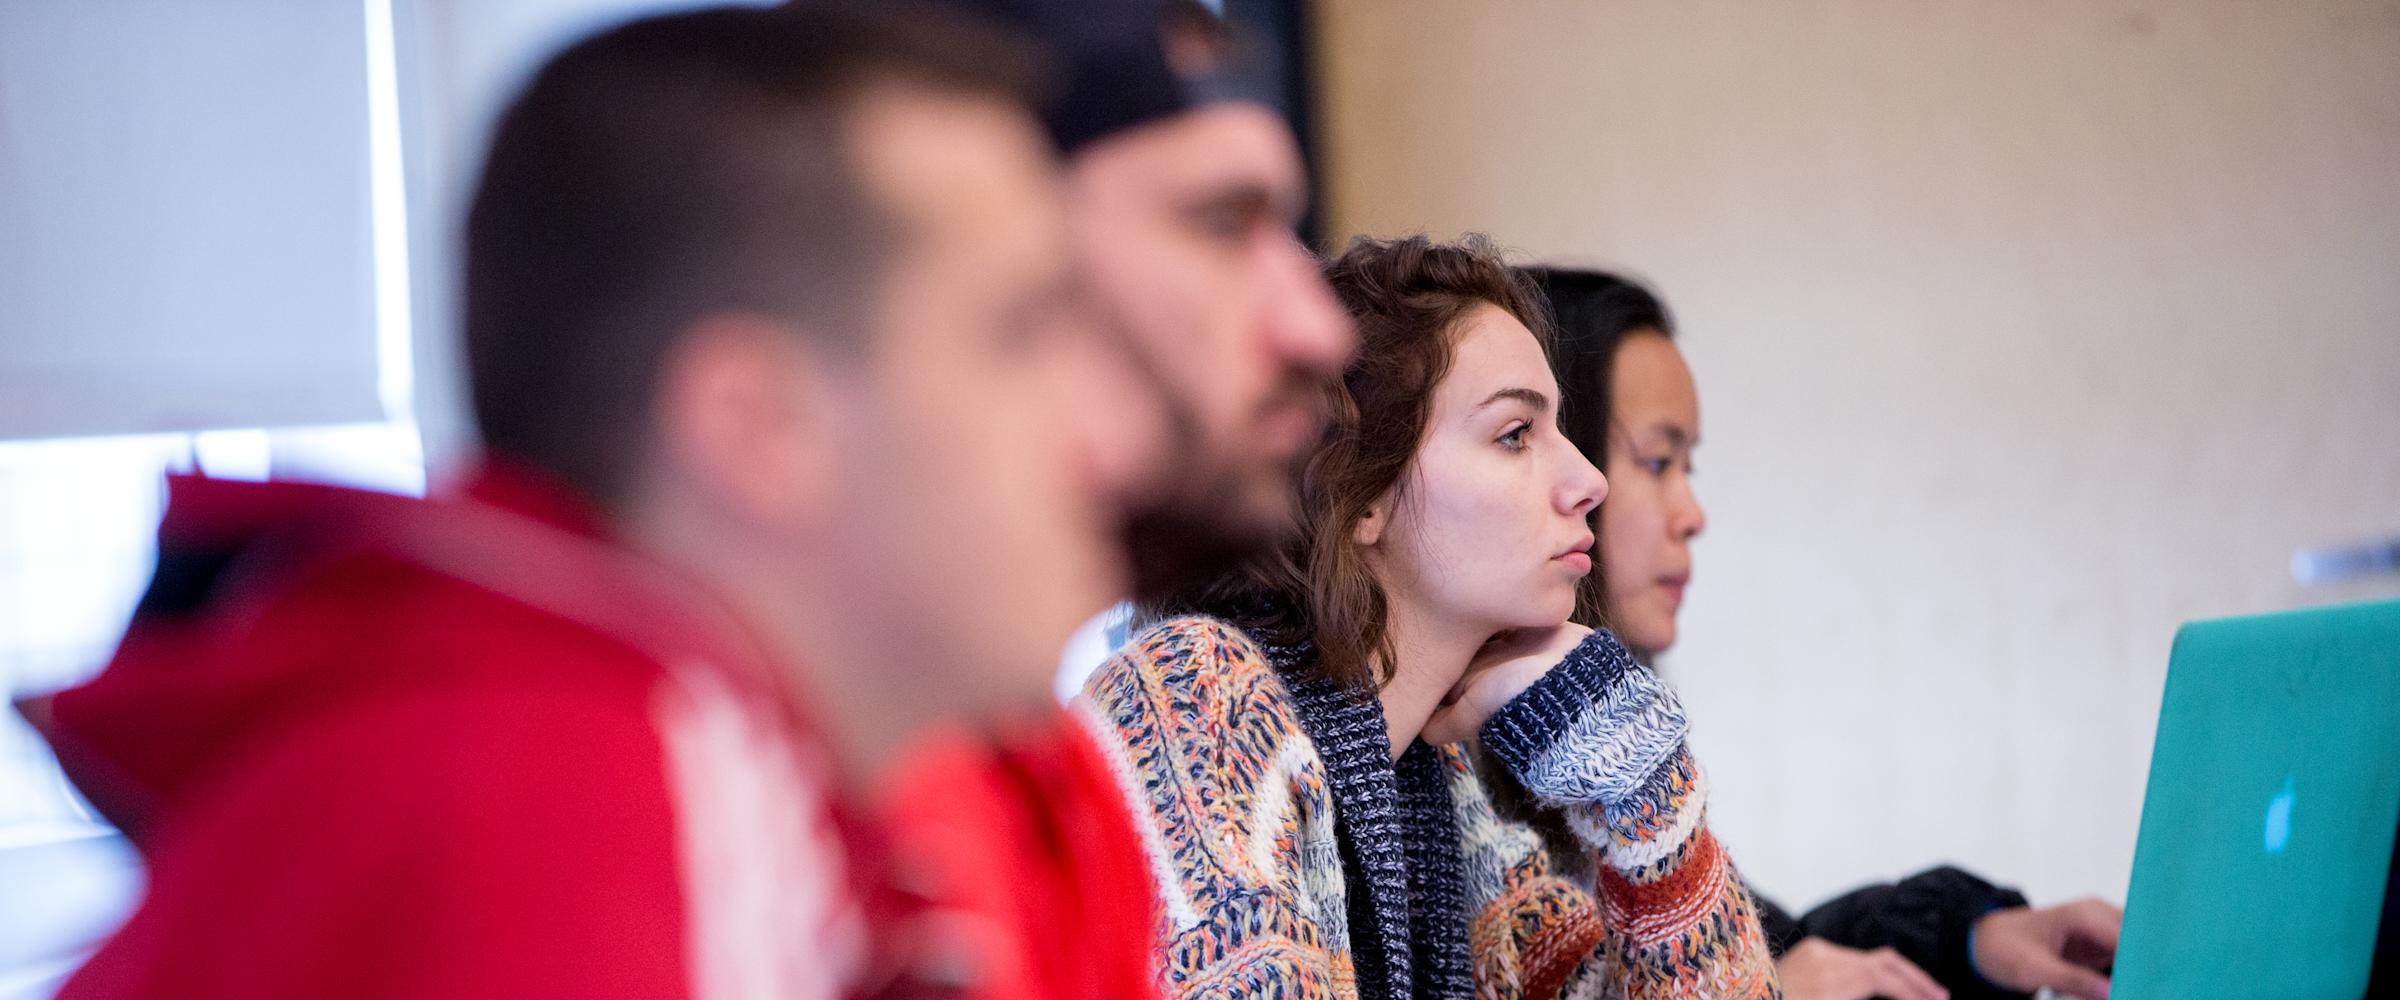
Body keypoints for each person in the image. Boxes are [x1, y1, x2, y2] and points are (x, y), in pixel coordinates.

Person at [34, 6, 1158, 996]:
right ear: (759, 433)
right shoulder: (573, 813)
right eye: (1021, 335)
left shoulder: (644, 780)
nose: (1115, 434)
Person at [1080, 234, 1780, 1000]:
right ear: (1361, 495)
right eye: (1515, 435)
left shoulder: (1442, 798)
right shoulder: (1195, 695)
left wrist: (1642, 780)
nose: (1587, 481)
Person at [1530, 265, 2123, 1000]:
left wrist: (1972, 937)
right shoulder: (1460, 790)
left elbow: (1774, 939)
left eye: (1689, 465)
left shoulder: (1598, 747)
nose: (1693, 513)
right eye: (1657, 461)